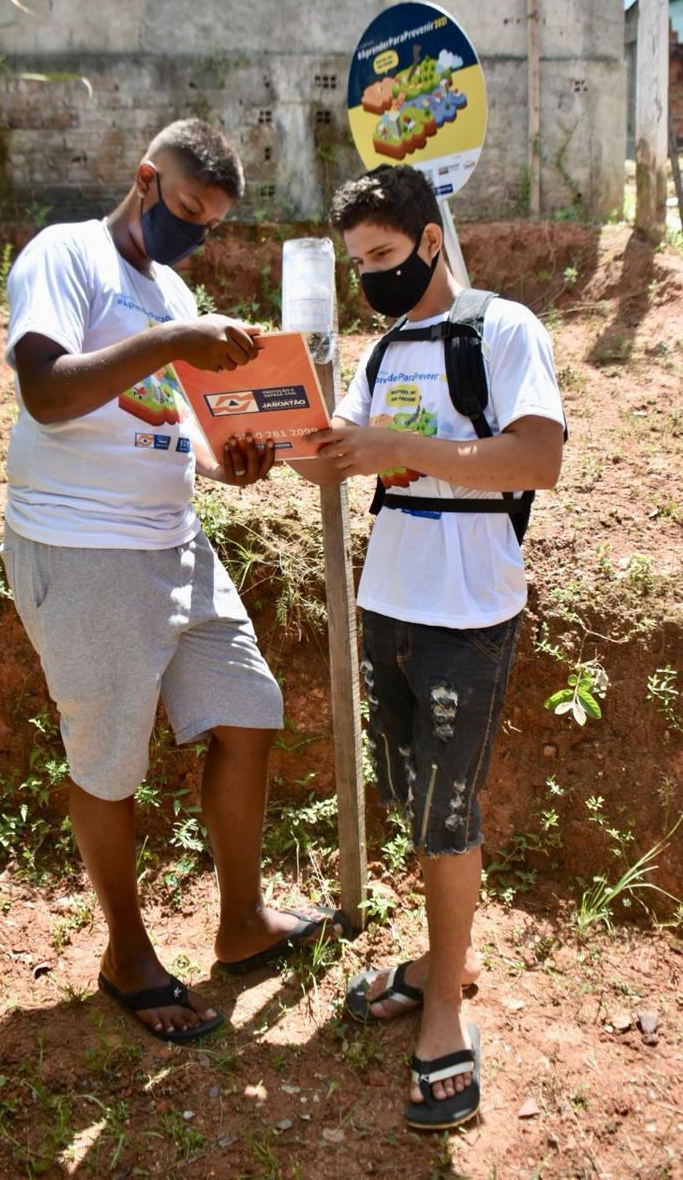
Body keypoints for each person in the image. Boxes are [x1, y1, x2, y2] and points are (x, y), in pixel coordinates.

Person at [1, 118, 342, 1044]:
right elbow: (47, 392)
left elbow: (171, 425)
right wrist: (171, 338)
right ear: (146, 179)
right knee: (108, 762)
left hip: (175, 544)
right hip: (81, 548)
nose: (195, 234)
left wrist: (227, 462)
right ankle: (127, 954)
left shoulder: (171, 289)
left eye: (212, 224)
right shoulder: (66, 255)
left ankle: (242, 923)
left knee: (248, 713)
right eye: (188, 210)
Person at [295, 164, 565, 1128]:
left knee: (447, 812)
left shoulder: (502, 329)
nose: (371, 276)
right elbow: (339, 461)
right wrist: (270, 443)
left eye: (382, 255)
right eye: (357, 264)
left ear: (430, 240)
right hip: (389, 600)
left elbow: (539, 458)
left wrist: (401, 450)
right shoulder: (381, 353)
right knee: (412, 798)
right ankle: (441, 959)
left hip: (468, 609)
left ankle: (443, 1007)